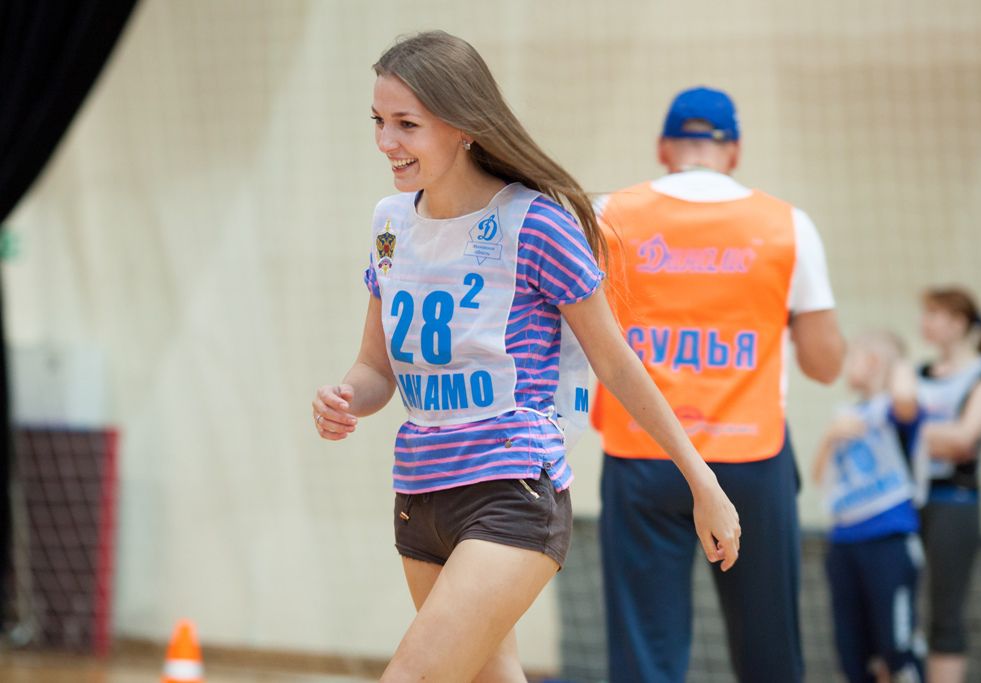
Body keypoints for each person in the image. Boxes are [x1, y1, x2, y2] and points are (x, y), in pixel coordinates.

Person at [310, 33, 741, 682]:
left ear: (462, 126)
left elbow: (616, 363)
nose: (385, 140)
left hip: (510, 488)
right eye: (378, 120)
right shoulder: (390, 224)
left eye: (406, 124)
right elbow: (375, 367)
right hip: (420, 489)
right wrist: (345, 396)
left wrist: (701, 481)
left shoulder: (534, 223)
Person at [592, 85, 845, 683]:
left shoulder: (608, 215)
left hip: (642, 454)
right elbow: (825, 364)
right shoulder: (787, 225)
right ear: (734, 151)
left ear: (664, 148)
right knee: (768, 651)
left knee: (645, 657)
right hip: (749, 457)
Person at [812, 331, 925, 683]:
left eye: (854, 357)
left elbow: (905, 398)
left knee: (896, 649)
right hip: (844, 542)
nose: (846, 366)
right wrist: (829, 438)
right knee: (852, 654)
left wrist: (896, 362)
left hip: (888, 540)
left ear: (874, 362)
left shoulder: (894, 411)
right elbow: (819, 478)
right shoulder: (844, 415)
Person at [915, 286, 981, 683]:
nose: (924, 322)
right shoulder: (918, 373)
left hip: (955, 501)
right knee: (897, 609)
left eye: (933, 314)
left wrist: (916, 431)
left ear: (958, 322)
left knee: (946, 613)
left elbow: (965, 438)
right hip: (909, 498)